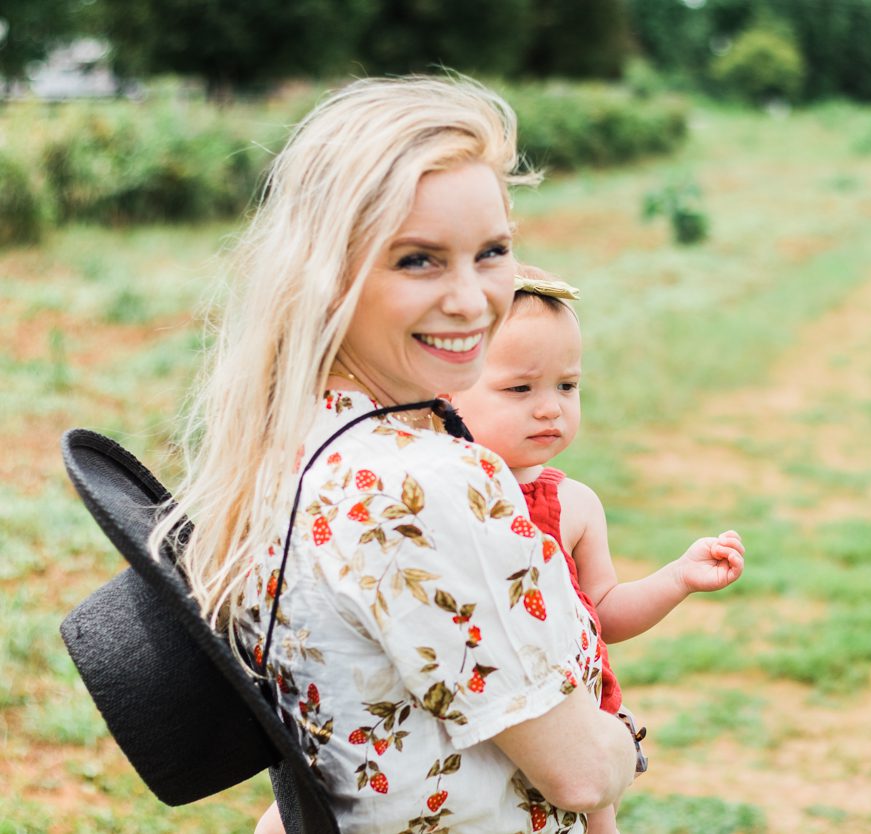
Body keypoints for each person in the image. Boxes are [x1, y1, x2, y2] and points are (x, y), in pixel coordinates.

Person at [149, 76, 638, 834]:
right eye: (418, 260)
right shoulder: (425, 482)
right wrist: (621, 740)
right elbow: (578, 771)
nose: (474, 300)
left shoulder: (290, 440)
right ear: (326, 273)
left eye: (493, 252)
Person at [448, 266, 746, 834]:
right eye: (520, 388)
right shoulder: (437, 498)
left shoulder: (573, 506)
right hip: (475, 720)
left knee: (590, 817)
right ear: (445, 394)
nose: (549, 408)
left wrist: (676, 578)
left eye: (567, 386)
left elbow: (601, 613)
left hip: (569, 721)